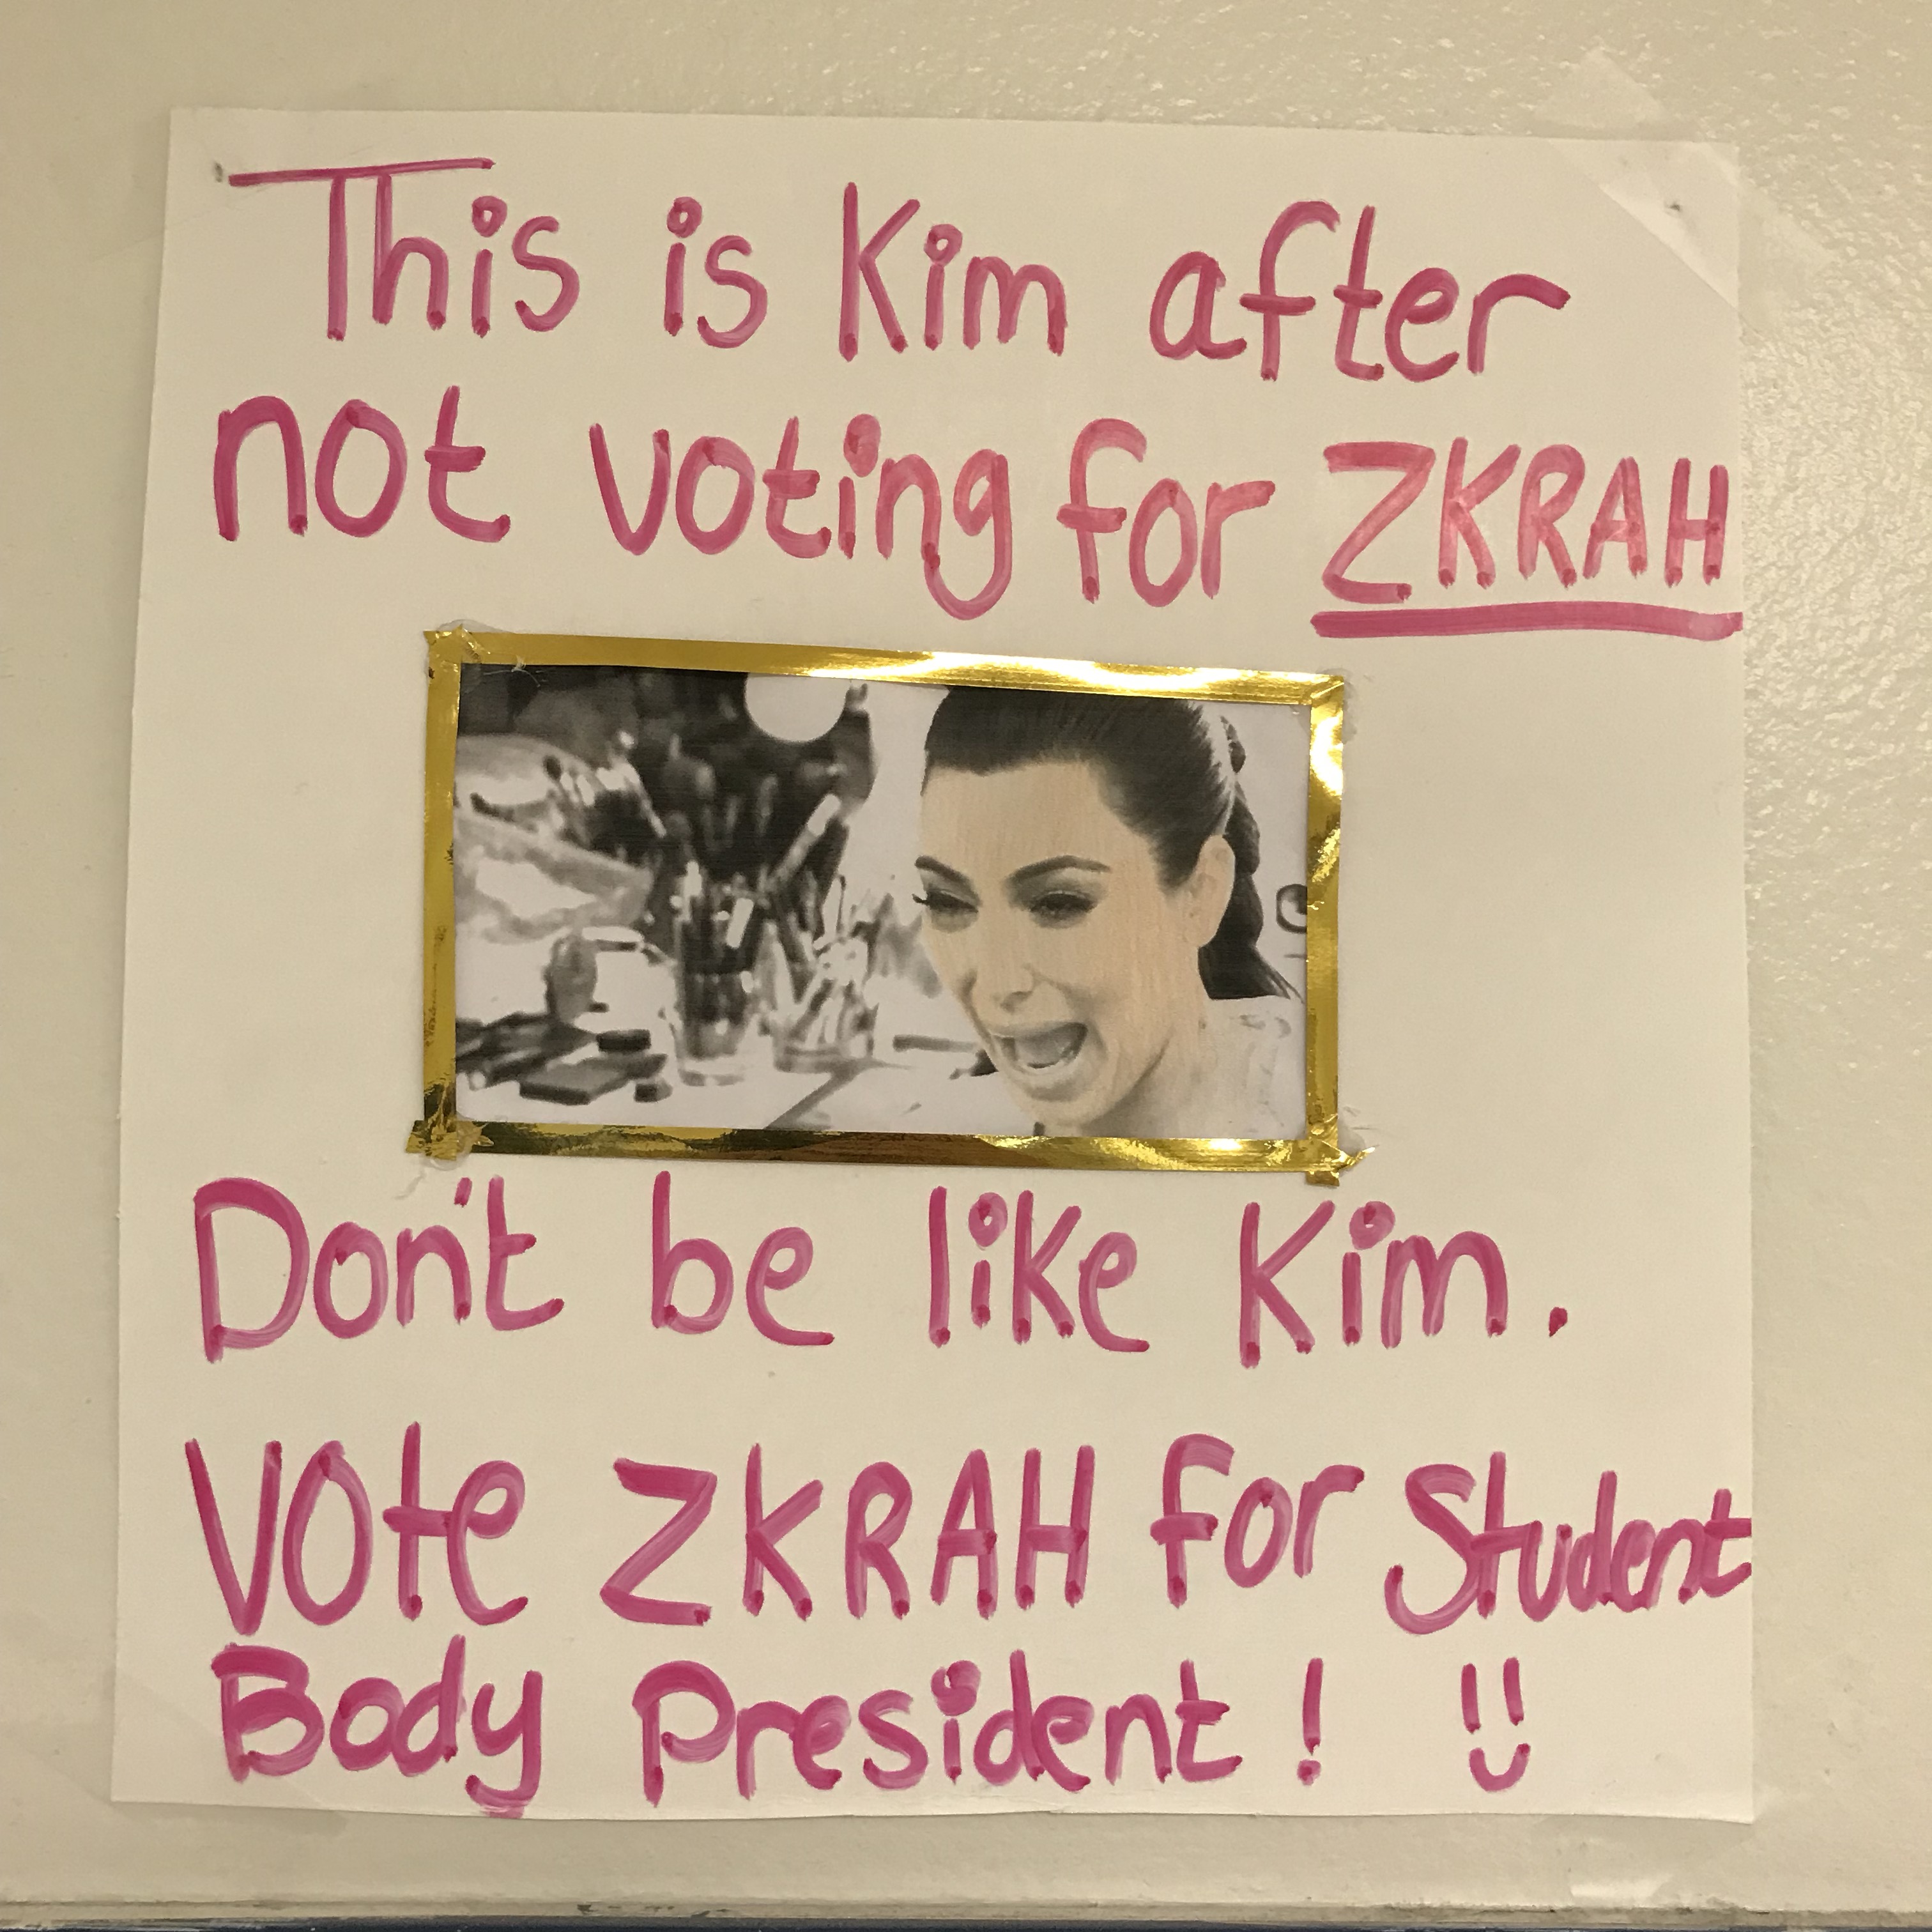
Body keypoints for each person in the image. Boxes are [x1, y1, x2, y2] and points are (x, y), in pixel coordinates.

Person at [914, 685, 1306, 1140]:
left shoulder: (1327, 1099)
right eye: (947, 902)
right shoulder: (929, 1133)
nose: (999, 985)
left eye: (1058, 903)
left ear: (1202, 893)